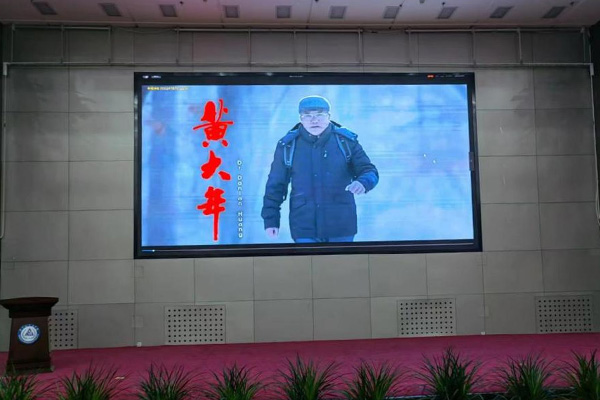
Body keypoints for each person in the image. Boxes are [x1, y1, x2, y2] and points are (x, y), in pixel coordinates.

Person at [261, 95, 379, 243]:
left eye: (320, 115)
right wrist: (271, 219)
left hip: (341, 226)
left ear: (329, 117)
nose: (314, 120)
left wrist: (363, 182)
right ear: (300, 118)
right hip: (303, 227)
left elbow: (369, 170)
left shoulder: (346, 142)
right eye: (308, 116)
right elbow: (275, 185)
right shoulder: (288, 146)